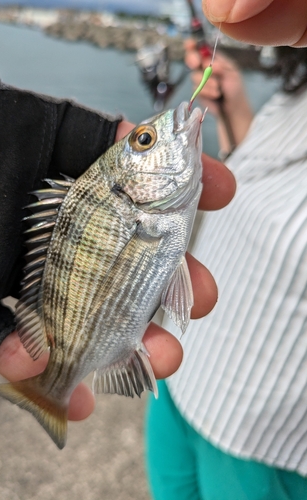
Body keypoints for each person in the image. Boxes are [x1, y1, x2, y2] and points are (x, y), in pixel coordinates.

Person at [0, 0, 236, 422]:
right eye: (145, 141)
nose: (160, 128)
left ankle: (49, 391)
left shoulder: (150, 209)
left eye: (142, 141)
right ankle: (50, 391)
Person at [146, 42, 307, 498]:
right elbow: (256, 182)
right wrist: (233, 111)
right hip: (184, 378)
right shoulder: (298, 90)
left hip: (265, 440)